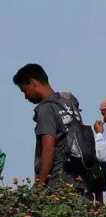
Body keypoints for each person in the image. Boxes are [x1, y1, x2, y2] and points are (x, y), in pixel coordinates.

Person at [12, 64, 86, 192]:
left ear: (33, 83)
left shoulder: (46, 108)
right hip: (80, 181)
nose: (25, 96)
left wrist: (39, 186)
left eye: (24, 90)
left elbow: (48, 148)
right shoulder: (69, 102)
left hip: (58, 185)